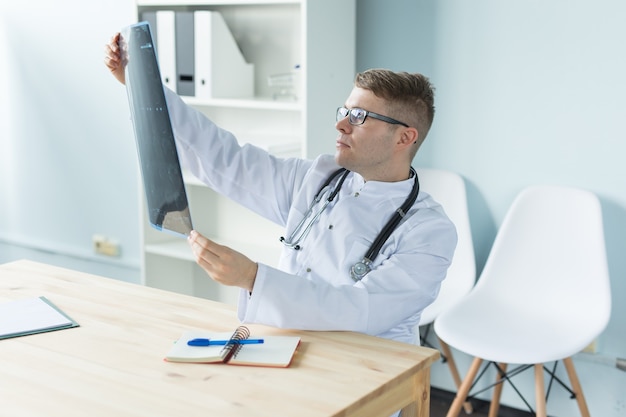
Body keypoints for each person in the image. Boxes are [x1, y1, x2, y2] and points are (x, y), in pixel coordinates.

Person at [104, 33, 457, 346]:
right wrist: (140, 84)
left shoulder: (428, 232)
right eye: (344, 111)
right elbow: (220, 158)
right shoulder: (316, 179)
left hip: (370, 367)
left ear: (405, 137)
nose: (340, 124)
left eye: (360, 117)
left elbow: (361, 311)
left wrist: (253, 277)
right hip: (284, 346)